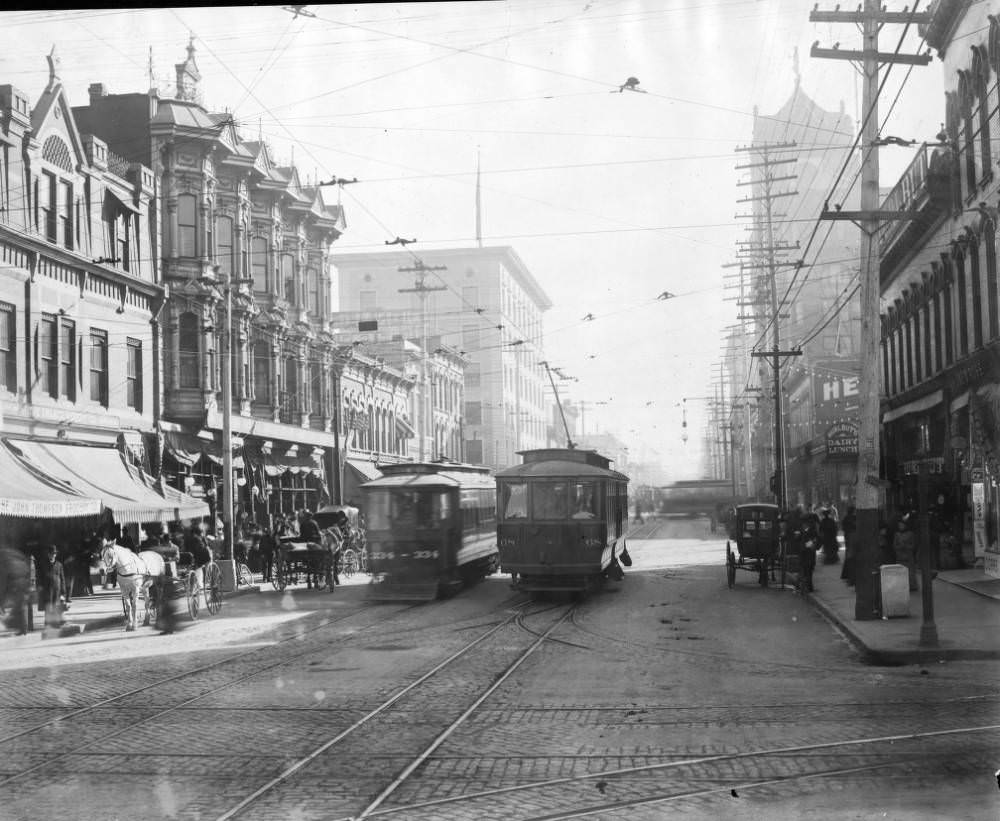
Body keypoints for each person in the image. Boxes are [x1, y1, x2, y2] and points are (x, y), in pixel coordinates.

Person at [39, 545, 67, 630]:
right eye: (51, 553)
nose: (53, 555)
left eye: (54, 553)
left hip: (57, 589)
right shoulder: (43, 564)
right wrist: (40, 587)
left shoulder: (59, 565)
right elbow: (40, 577)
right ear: (48, 554)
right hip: (47, 589)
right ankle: (47, 624)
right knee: (48, 606)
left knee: (56, 606)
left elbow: (62, 578)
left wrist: (63, 592)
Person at [893, 516, 918, 592]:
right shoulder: (896, 534)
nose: (900, 526)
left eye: (902, 525)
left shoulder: (910, 534)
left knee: (910, 573)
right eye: (899, 525)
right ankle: (902, 586)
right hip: (900, 556)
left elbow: (913, 545)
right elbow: (894, 545)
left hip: (908, 556)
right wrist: (900, 547)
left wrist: (906, 546)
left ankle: (912, 586)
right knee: (901, 572)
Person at [797, 517, 819, 593]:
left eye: (803, 524)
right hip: (807, 555)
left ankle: (809, 587)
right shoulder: (805, 531)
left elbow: (813, 542)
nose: (802, 525)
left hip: (808, 555)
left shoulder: (811, 532)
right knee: (807, 571)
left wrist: (805, 546)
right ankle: (808, 586)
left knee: (808, 571)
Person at [840, 505, 857, 586]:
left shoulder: (846, 518)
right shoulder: (854, 518)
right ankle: (852, 578)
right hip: (853, 540)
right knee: (852, 559)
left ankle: (848, 577)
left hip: (848, 539)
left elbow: (843, 528)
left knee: (849, 558)